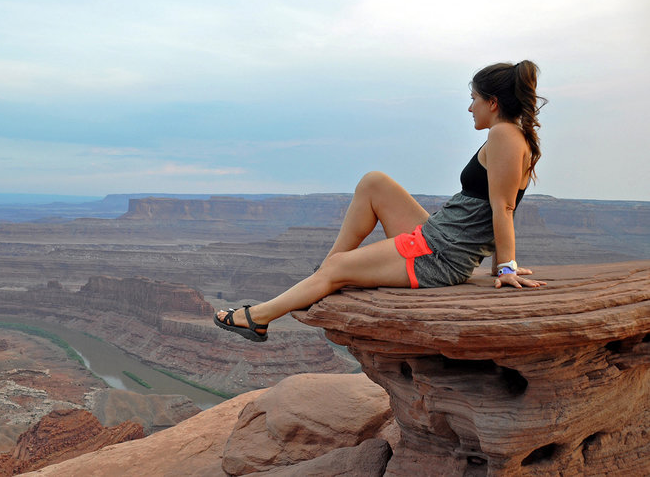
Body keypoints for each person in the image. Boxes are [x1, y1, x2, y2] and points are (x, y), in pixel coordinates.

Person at [215, 61, 548, 342]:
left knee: (336, 270)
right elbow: (497, 205)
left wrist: (506, 267)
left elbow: (503, 206)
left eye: (473, 99)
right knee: (374, 182)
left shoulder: (503, 134)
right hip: (437, 236)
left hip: (438, 253)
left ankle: (258, 317)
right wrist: (495, 262)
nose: (469, 107)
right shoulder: (516, 136)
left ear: (492, 102)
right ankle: (328, 273)